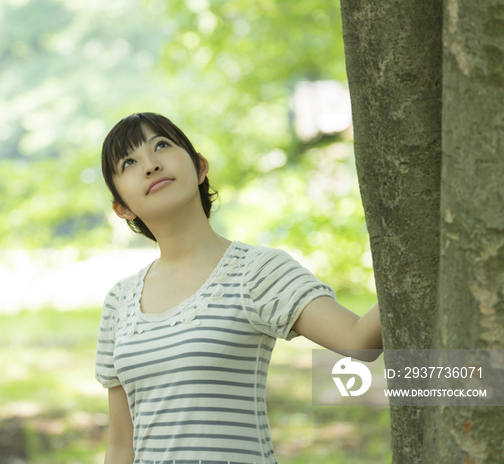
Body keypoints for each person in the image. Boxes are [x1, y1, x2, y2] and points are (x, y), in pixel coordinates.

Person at [95, 112, 382, 464]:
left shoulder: (256, 271)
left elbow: (358, 340)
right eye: (129, 162)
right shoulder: (119, 301)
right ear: (121, 207)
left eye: (162, 145)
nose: (151, 165)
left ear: (200, 167)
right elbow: (121, 446)